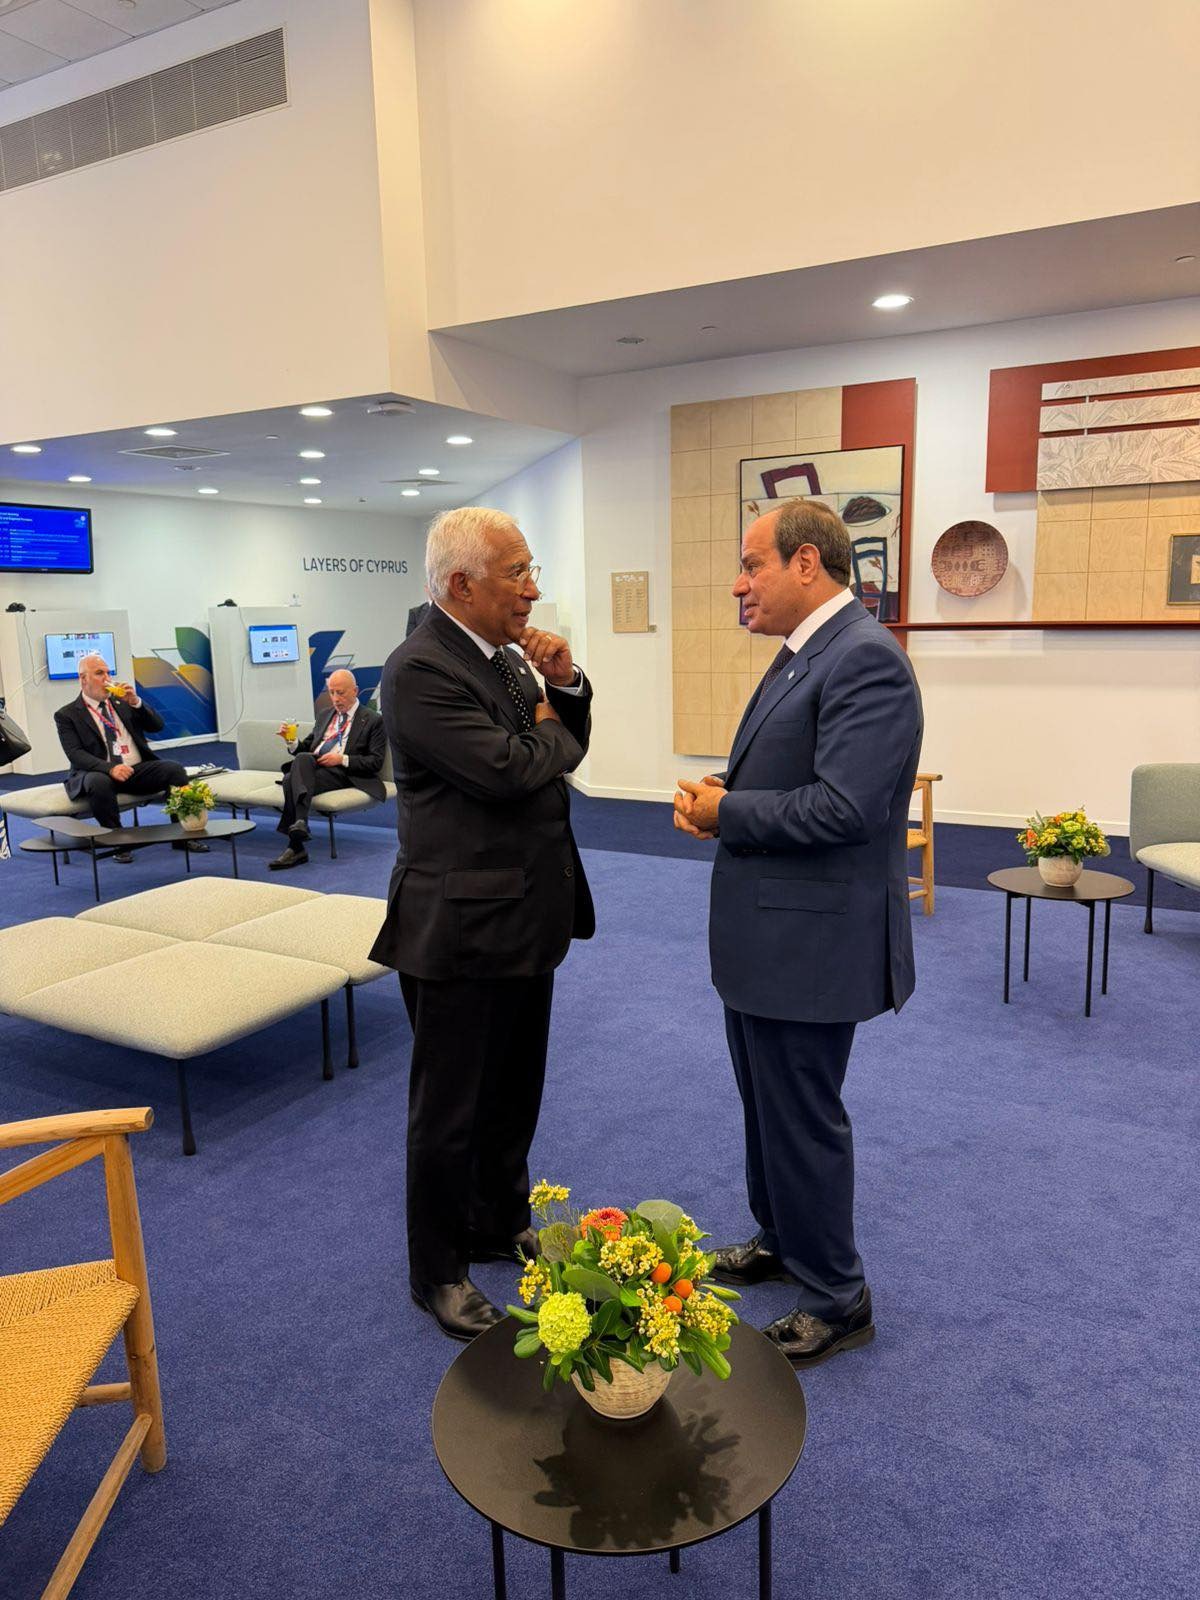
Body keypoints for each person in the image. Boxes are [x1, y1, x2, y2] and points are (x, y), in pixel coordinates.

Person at [674, 498, 922, 1369]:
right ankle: (783, 1239)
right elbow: (795, 772)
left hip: (811, 947)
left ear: (806, 563)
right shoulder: (805, 653)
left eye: (752, 565)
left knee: (802, 1117)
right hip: (771, 939)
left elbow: (846, 808)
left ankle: (838, 1299)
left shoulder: (865, 658)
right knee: (767, 1105)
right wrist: (725, 793)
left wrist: (728, 812)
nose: (738, 585)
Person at [369, 506, 594, 1341]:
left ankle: (499, 1222)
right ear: (461, 584)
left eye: (531, 570)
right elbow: (509, 771)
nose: (532, 590)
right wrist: (547, 729)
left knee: (512, 1091)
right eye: (517, 573)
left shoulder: (504, 658)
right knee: (449, 1111)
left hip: (527, 915)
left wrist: (563, 685)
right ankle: (437, 1271)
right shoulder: (419, 669)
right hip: (457, 929)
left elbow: (556, 749)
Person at [55, 654, 206, 864]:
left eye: (108, 673)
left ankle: (182, 834)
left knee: (174, 770)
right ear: (83, 679)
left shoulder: (123, 702)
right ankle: (117, 841)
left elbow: (157, 726)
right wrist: (110, 768)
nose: (107, 678)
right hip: (99, 772)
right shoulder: (67, 714)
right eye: (99, 673)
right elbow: (75, 753)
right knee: (98, 782)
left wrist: (136, 702)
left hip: (136, 769)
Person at [269, 669, 387, 870]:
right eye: (331, 692)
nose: (335, 698)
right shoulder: (325, 715)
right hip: (315, 767)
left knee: (290, 780)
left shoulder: (373, 720)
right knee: (301, 763)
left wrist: (341, 759)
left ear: (355, 691)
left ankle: (296, 843)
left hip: (346, 773)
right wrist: (291, 741)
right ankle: (298, 833)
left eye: (340, 692)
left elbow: (375, 762)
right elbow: (306, 749)